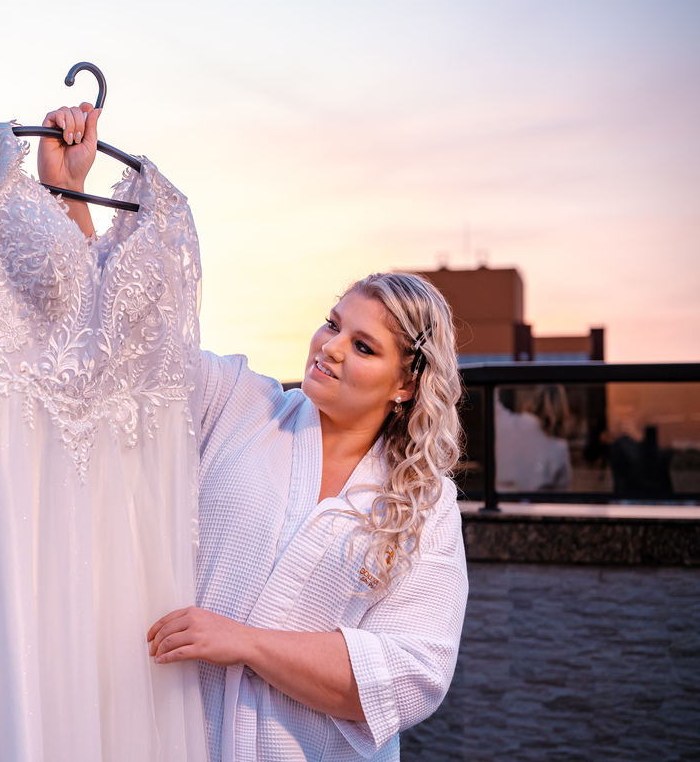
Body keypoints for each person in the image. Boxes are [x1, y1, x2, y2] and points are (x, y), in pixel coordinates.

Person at [40, 104, 468, 761]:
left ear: (406, 384)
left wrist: (244, 640)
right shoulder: (240, 402)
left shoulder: (425, 505)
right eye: (332, 323)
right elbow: (115, 344)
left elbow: (409, 677)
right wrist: (70, 192)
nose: (328, 348)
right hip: (178, 739)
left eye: (363, 346)